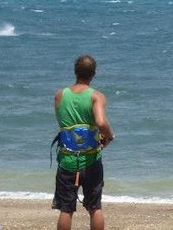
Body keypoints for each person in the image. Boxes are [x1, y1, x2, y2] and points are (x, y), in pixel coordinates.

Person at [52, 55, 115, 230]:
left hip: (67, 160)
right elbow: (101, 123)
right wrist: (109, 136)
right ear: (93, 74)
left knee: (66, 209)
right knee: (95, 207)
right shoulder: (96, 96)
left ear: (75, 71)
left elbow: (63, 124)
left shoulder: (60, 95)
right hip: (91, 161)